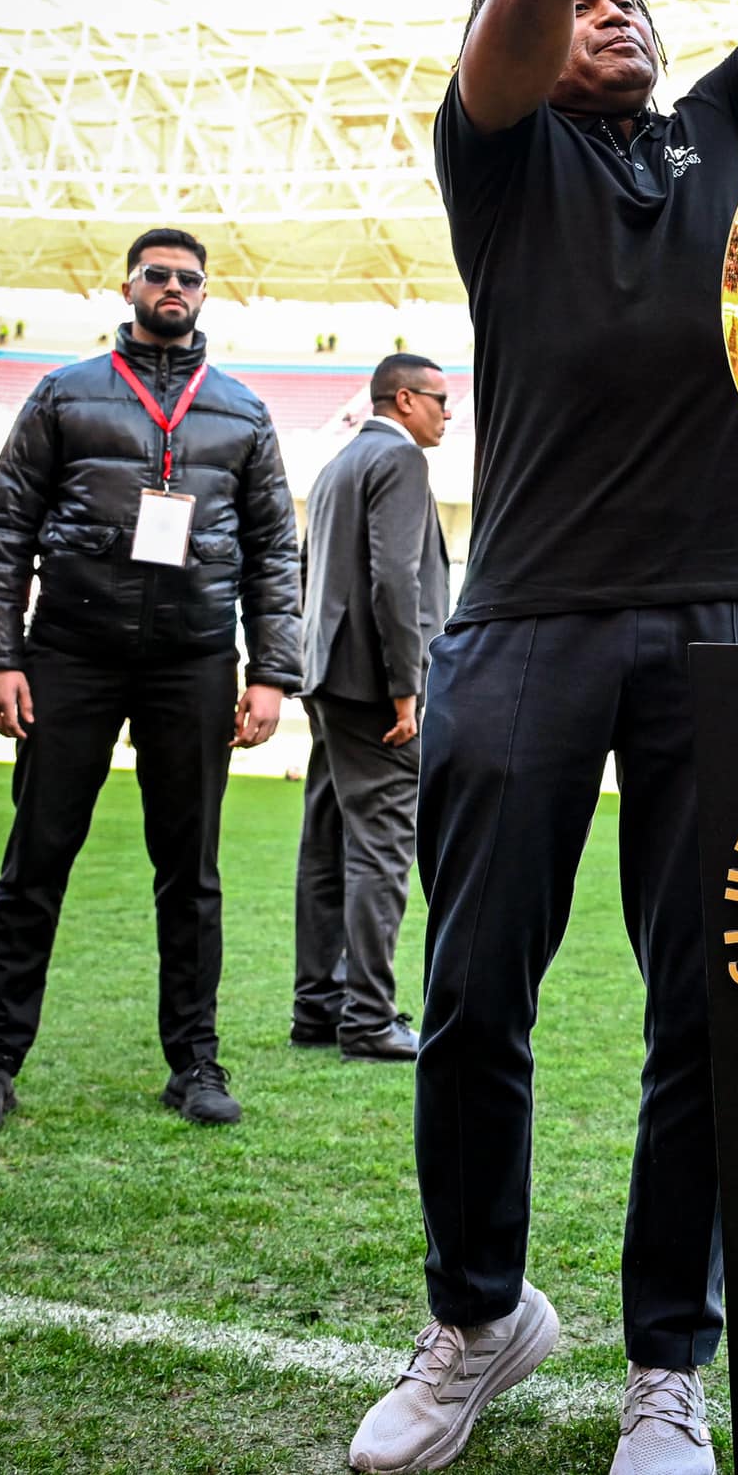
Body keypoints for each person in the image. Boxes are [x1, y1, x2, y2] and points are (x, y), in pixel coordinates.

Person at [347, 0, 738, 1475]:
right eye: (584, 2)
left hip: (725, 613)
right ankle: (479, 1316)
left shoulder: (728, 140)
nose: (613, 5)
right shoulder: (498, 146)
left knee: (713, 1003)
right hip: (528, 620)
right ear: (525, 33)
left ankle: (665, 1367)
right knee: (477, 992)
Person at [0, 230, 300, 1135]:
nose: (173, 287)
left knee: (191, 874)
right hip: (71, 651)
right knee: (36, 863)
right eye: (159, 274)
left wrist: (270, 674)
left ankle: (194, 1062)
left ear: (204, 294)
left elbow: (273, 557)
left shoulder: (244, 412)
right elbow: (5, 530)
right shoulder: (66, 391)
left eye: (188, 277)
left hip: (192, 660)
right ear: (130, 285)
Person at [291, 353, 452, 1062]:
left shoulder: (337, 465)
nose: (450, 413)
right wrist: (406, 685)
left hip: (329, 676)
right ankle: (368, 1017)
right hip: (375, 687)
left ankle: (318, 1007)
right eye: (442, 400)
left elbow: (310, 572)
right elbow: (395, 579)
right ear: (407, 398)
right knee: (382, 848)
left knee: (326, 841)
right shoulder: (401, 463)